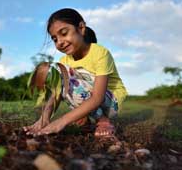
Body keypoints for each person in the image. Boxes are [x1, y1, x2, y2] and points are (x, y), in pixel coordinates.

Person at [23, 8, 128, 138]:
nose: (60, 42)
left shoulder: (100, 53)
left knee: (64, 73)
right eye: (55, 39)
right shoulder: (65, 60)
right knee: (59, 73)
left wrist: (60, 122)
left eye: (64, 33)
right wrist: (44, 119)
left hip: (111, 102)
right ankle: (85, 117)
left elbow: (97, 97)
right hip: (88, 98)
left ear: (81, 28)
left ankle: (103, 120)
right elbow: (56, 93)